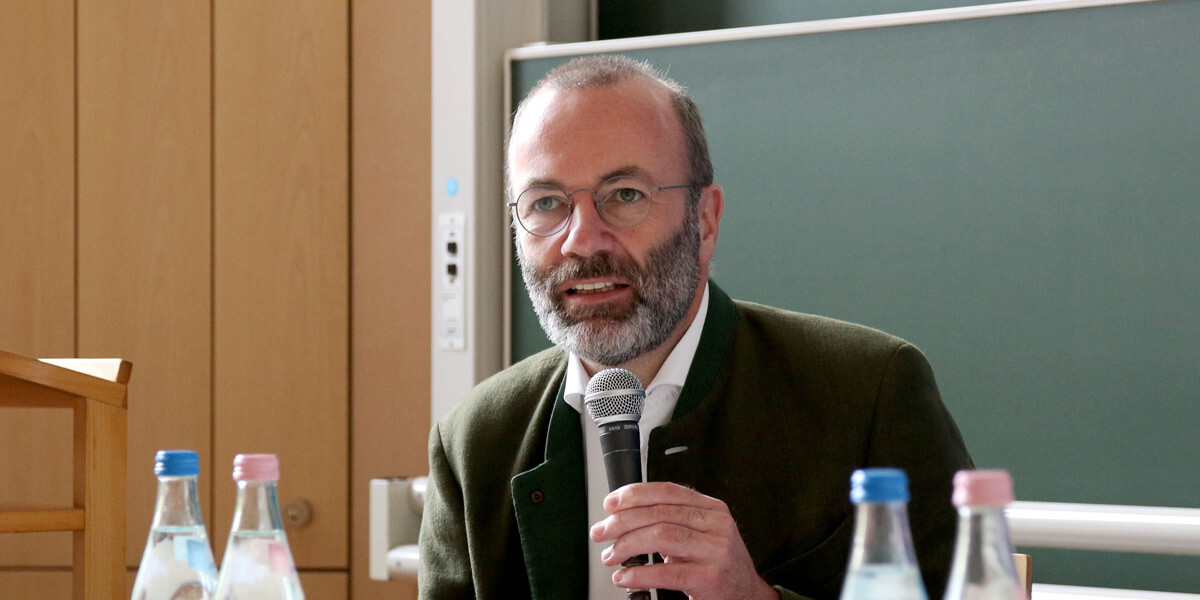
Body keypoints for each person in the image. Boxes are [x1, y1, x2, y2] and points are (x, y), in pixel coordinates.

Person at [418, 54, 973, 600]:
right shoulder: (475, 441)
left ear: (705, 221)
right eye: (545, 203)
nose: (582, 240)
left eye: (625, 195)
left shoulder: (868, 392)